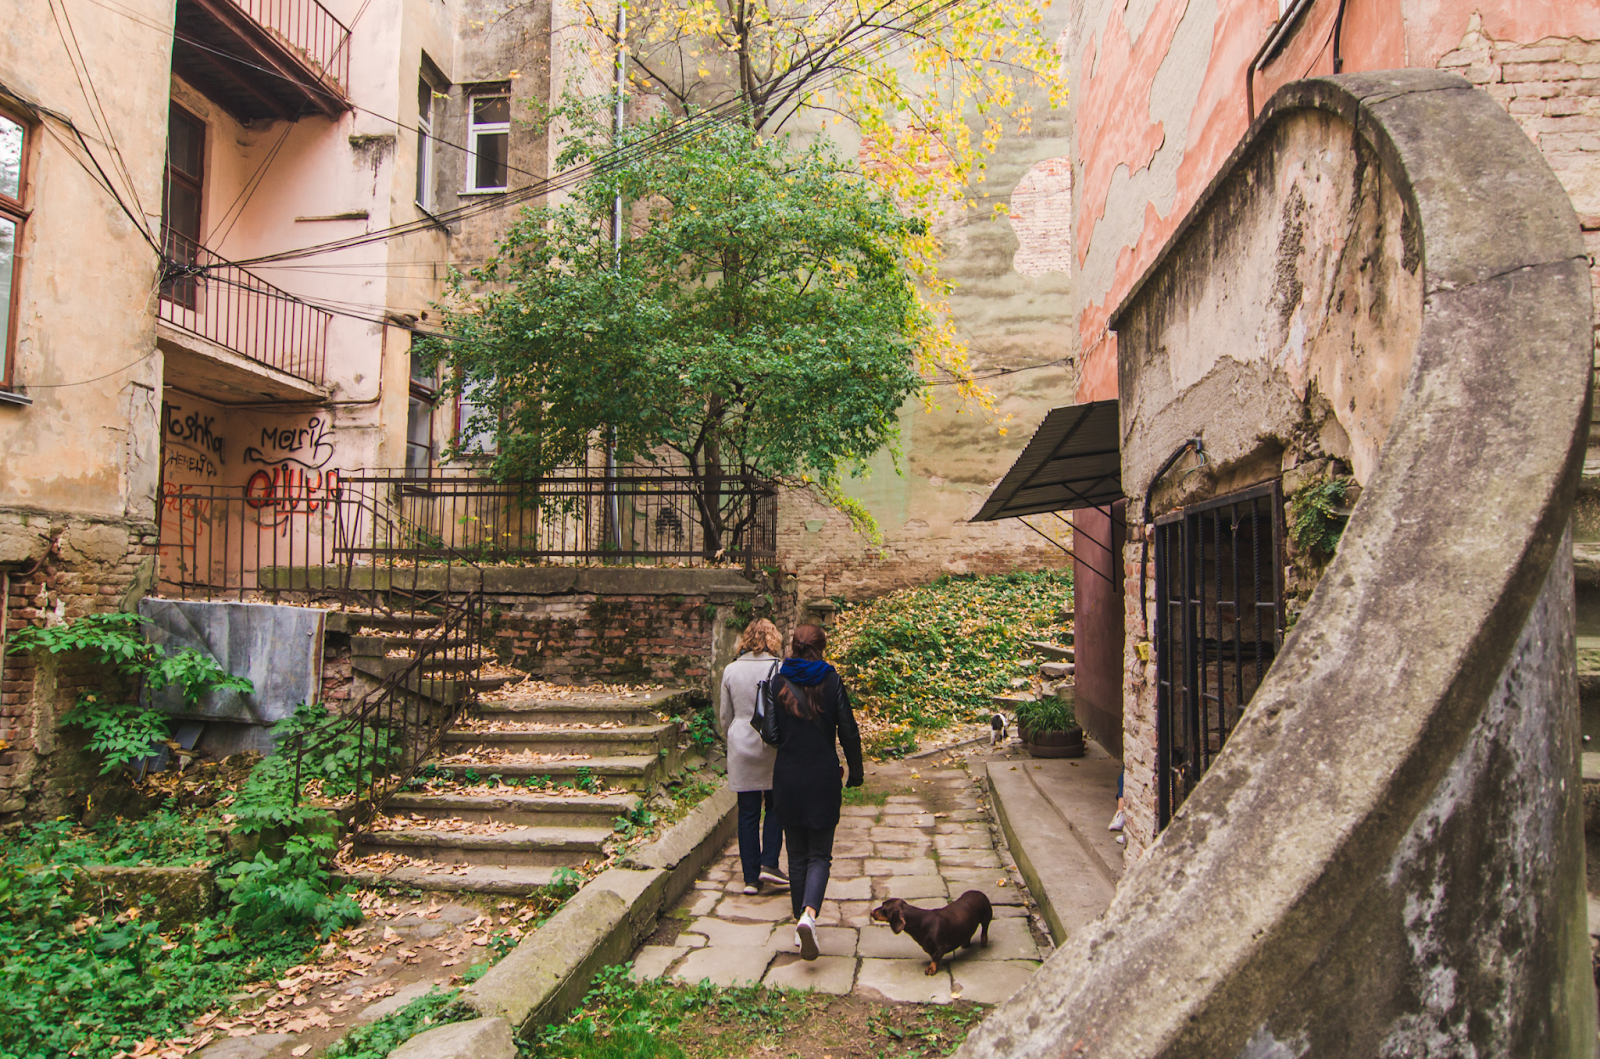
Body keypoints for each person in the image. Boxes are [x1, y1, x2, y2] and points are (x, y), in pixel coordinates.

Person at [763, 623, 863, 961]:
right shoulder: (831, 680)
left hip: (788, 777)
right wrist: (856, 772)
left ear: (794, 645)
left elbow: (771, 734)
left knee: (795, 855)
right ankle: (809, 915)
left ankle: (799, 923)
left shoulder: (778, 681)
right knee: (820, 854)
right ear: (821, 647)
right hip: (822, 777)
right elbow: (848, 731)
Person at [718, 618, 788, 895]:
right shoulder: (780, 668)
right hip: (771, 745)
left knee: (747, 812)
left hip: (741, 744)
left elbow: (725, 715)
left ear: (746, 638)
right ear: (773, 638)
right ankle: (769, 863)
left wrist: (733, 737)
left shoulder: (731, 670)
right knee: (775, 806)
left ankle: (750, 878)